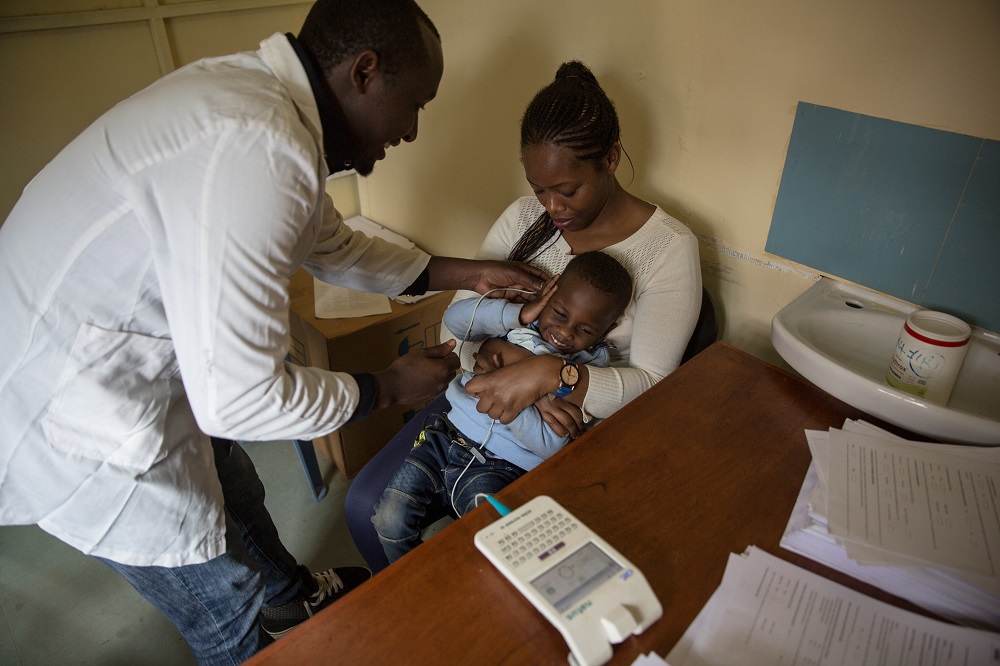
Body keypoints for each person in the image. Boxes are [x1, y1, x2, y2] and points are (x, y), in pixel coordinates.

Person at [0, 0, 545, 663]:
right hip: (73, 413)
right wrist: (387, 385)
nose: (410, 129)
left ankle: (289, 592)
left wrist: (467, 273)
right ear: (365, 72)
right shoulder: (259, 145)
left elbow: (330, 244)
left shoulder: (259, 101)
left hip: (100, 350)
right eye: (414, 104)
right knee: (223, 605)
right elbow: (238, 398)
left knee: (229, 479)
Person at [345, 60, 703, 572]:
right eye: (539, 188)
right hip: (472, 408)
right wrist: (513, 358)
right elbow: (457, 327)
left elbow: (655, 386)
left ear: (610, 158)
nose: (552, 206)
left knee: (501, 558)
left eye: (568, 190)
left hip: (564, 439)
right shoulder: (521, 219)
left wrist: (549, 375)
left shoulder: (668, 250)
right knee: (365, 508)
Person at [372, 251, 632, 563]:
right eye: (560, 314)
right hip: (444, 439)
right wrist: (516, 316)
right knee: (388, 519)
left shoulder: (581, 374)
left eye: (586, 330)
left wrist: (518, 394)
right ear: (550, 292)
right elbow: (455, 321)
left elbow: (552, 445)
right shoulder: (519, 324)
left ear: (605, 330)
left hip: (501, 468)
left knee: (492, 542)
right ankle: (407, 581)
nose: (565, 333)